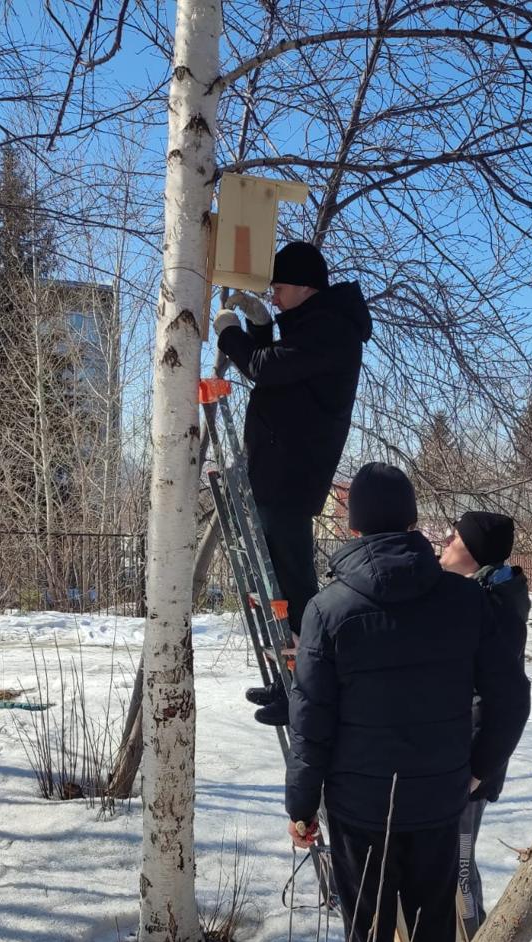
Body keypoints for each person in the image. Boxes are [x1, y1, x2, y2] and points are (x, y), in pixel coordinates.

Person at [285, 465, 530, 942]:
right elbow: (510, 697)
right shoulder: (466, 602)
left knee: (368, 938)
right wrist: (477, 767)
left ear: (354, 526)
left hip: (360, 808)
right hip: (437, 801)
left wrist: (301, 805)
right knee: (432, 937)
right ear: (413, 519)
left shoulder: (327, 609)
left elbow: (311, 722)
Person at [214, 242, 372, 726]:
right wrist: (261, 325)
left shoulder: (331, 329)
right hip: (278, 470)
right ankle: (288, 680)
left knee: (294, 585)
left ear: (305, 286)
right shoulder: (316, 323)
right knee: (277, 582)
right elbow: (276, 364)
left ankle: (305, 689)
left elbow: (267, 368)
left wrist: (230, 333)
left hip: (292, 475)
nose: (275, 296)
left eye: (279, 288)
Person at [440, 511, 530, 940]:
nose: (445, 542)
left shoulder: (493, 607)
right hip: (457, 757)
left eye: (455, 537)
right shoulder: (477, 596)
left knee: (458, 864)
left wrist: (477, 771)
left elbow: (508, 703)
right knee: (451, 859)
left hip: (470, 764)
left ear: (473, 553)